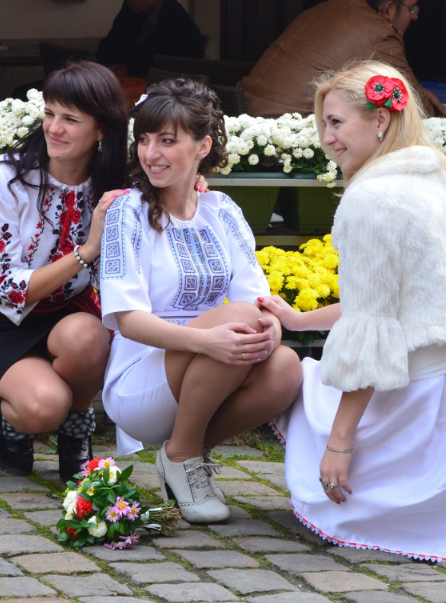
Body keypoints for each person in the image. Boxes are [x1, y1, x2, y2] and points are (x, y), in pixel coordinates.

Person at [261, 61, 446, 561]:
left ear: (380, 120)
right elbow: (395, 306)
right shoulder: (441, 176)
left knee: (299, 382)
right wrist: (297, 321)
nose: (326, 138)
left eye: (336, 122)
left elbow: (372, 334)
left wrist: (339, 442)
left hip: (422, 407)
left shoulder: (372, 199)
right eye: (323, 124)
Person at [98, 78, 303, 523]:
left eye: (168, 141)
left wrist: (273, 327)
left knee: (285, 366)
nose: (151, 153)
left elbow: (259, 301)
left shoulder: (222, 210)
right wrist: (207, 342)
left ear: (203, 146)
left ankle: (182, 453)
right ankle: (185, 453)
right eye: (145, 140)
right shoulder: (126, 212)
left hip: (212, 363)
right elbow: (127, 320)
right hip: (140, 378)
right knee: (238, 322)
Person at [0, 62, 131, 483]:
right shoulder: (6, 175)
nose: (54, 128)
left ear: (102, 130)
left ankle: (77, 430)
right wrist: (85, 252)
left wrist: (194, 183)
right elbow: (1, 286)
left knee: (90, 335)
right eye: (50, 113)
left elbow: (170, 186)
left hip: (68, 320)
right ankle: (16, 424)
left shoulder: (115, 184)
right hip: (0, 324)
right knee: (42, 408)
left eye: (71, 119)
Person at [241, 0, 446, 118]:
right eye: (412, 8)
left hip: (244, 123)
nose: (415, 16)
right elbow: (418, 112)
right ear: (388, 9)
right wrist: (421, 94)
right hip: (291, 145)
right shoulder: (380, 34)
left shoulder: (320, 10)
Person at [96, 0, 206, 79]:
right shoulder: (130, 10)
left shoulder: (182, 27)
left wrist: (131, 69)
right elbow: (105, 50)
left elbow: (177, 74)